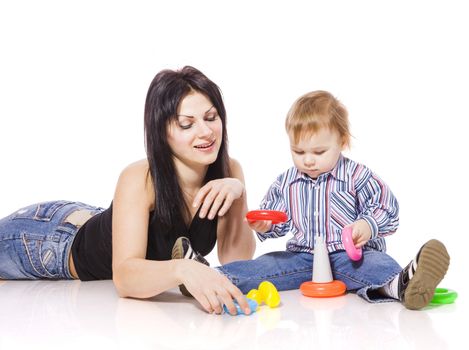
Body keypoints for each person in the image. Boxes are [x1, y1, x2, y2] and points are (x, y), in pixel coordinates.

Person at [0, 66, 256, 315]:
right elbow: (124, 278)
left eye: (211, 118)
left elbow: (237, 258)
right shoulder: (139, 177)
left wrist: (238, 193)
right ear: (161, 131)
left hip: (92, 219)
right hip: (50, 240)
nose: (206, 131)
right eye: (186, 124)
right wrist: (184, 269)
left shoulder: (229, 170)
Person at [198, 90, 448, 310]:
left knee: (377, 265)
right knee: (265, 265)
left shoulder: (356, 176)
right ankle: (205, 278)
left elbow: (387, 208)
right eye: (298, 151)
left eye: (318, 152)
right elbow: (277, 218)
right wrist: (267, 226)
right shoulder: (287, 182)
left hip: (349, 257)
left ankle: (405, 285)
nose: (308, 160)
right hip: (303, 258)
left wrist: (367, 226)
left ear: (341, 141)